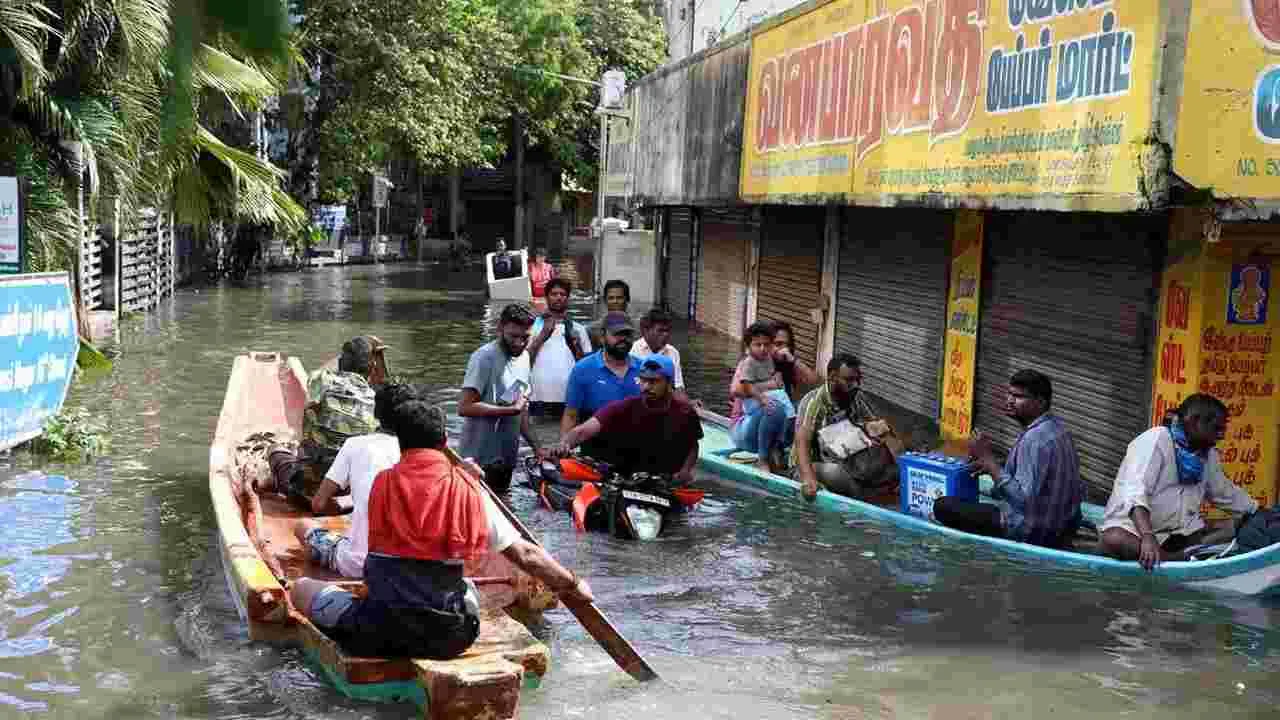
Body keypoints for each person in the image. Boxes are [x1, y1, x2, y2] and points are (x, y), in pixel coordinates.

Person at [290, 394, 594, 660]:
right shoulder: (467, 488)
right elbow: (526, 555)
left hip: (380, 631)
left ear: (400, 442)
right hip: (452, 637)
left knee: (301, 589)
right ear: (446, 440)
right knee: (468, 586)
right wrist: (572, 584)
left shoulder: (381, 485)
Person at [1099, 394, 1261, 570]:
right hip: (1137, 532)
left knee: (1235, 526)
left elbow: (1223, 492)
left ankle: (1173, 556)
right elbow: (1135, 493)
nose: (1221, 435)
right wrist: (1147, 536)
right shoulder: (1156, 440)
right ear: (1193, 421)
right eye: (1216, 428)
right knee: (1114, 539)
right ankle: (1173, 559)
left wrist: (1256, 510)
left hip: (1179, 534)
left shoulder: (1208, 454)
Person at [933, 370, 1085, 549]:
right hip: (1061, 526)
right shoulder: (1059, 429)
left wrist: (990, 462)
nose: (1010, 401)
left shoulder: (1033, 440)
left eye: (1019, 397)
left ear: (1041, 402)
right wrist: (992, 469)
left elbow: (1023, 502)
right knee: (977, 488)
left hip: (1029, 531)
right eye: (1009, 394)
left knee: (943, 506)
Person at [290, 383, 413, 578]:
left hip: (358, 563)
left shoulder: (355, 444)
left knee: (303, 525)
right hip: (406, 565)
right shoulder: (416, 452)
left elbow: (318, 504)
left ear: (375, 413)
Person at [260, 336, 388, 508]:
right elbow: (386, 383)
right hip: (350, 491)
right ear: (372, 368)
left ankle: (276, 480)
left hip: (306, 489)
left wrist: (350, 354)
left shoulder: (322, 380)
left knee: (275, 451)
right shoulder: (376, 399)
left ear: (342, 362)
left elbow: (327, 370)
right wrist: (376, 357)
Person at [554, 355, 701, 483]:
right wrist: (564, 443)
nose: (646, 387)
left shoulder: (686, 413)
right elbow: (583, 431)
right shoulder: (624, 407)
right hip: (626, 478)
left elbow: (692, 446)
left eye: (653, 382)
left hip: (664, 481)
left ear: (669, 384)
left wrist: (685, 471)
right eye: (643, 380)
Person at [458, 304, 544, 490]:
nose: (519, 343)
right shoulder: (484, 358)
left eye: (525, 337)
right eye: (513, 336)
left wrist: (537, 447)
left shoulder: (524, 358)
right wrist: (509, 410)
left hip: (506, 459)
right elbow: (465, 407)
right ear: (500, 328)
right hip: (477, 462)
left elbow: (521, 411)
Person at [792, 354, 890, 500]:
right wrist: (808, 479)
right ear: (832, 377)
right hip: (812, 464)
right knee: (838, 475)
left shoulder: (856, 397)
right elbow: (802, 441)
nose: (855, 384)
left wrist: (874, 430)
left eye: (857, 380)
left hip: (847, 459)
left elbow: (879, 426)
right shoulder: (814, 402)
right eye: (849, 380)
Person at [562, 311, 644, 459]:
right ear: (602, 336)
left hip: (636, 453)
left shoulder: (644, 369)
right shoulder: (583, 369)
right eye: (617, 334)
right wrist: (564, 447)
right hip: (595, 454)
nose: (623, 339)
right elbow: (571, 415)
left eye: (627, 334)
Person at [728, 321, 794, 473]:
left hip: (765, 423)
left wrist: (792, 360)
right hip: (744, 427)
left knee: (796, 409)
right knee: (773, 407)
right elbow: (736, 389)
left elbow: (813, 381)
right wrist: (770, 385)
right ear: (749, 346)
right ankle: (763, 459)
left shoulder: (775, 362)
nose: (764, 349)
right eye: (758, 345)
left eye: (768, 345)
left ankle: (778, 450)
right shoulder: (748, 363)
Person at [528, 278, 592, 418]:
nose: (558, 297)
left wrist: (576, 345)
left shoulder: (578, 329)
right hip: (536, 396)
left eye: (562, 294)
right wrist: (543, 335)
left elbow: (587, 367)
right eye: (554, 294)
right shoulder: (532, 327)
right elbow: (522, 361)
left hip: (569, 398)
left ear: (568, 298)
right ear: (547, 297)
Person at [630, 307, 686, 393]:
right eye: (660, 331)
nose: (666, 335)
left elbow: (678, 387)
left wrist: (688, 404)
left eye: (667, 331)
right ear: (646, 330)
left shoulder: (673, 352)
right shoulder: (632, 351)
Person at [771, 321, 821, 400]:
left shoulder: (788, 362)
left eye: (787, 345)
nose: (785, 349)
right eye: (779, 344)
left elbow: (815, 382)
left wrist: (794, 360)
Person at [590, 279, 631, 347]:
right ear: (605, 300)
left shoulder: (639, 329)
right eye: (611, 298)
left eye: (619, 298)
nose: (615, 301)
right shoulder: (593, 330)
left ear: (627, 299)